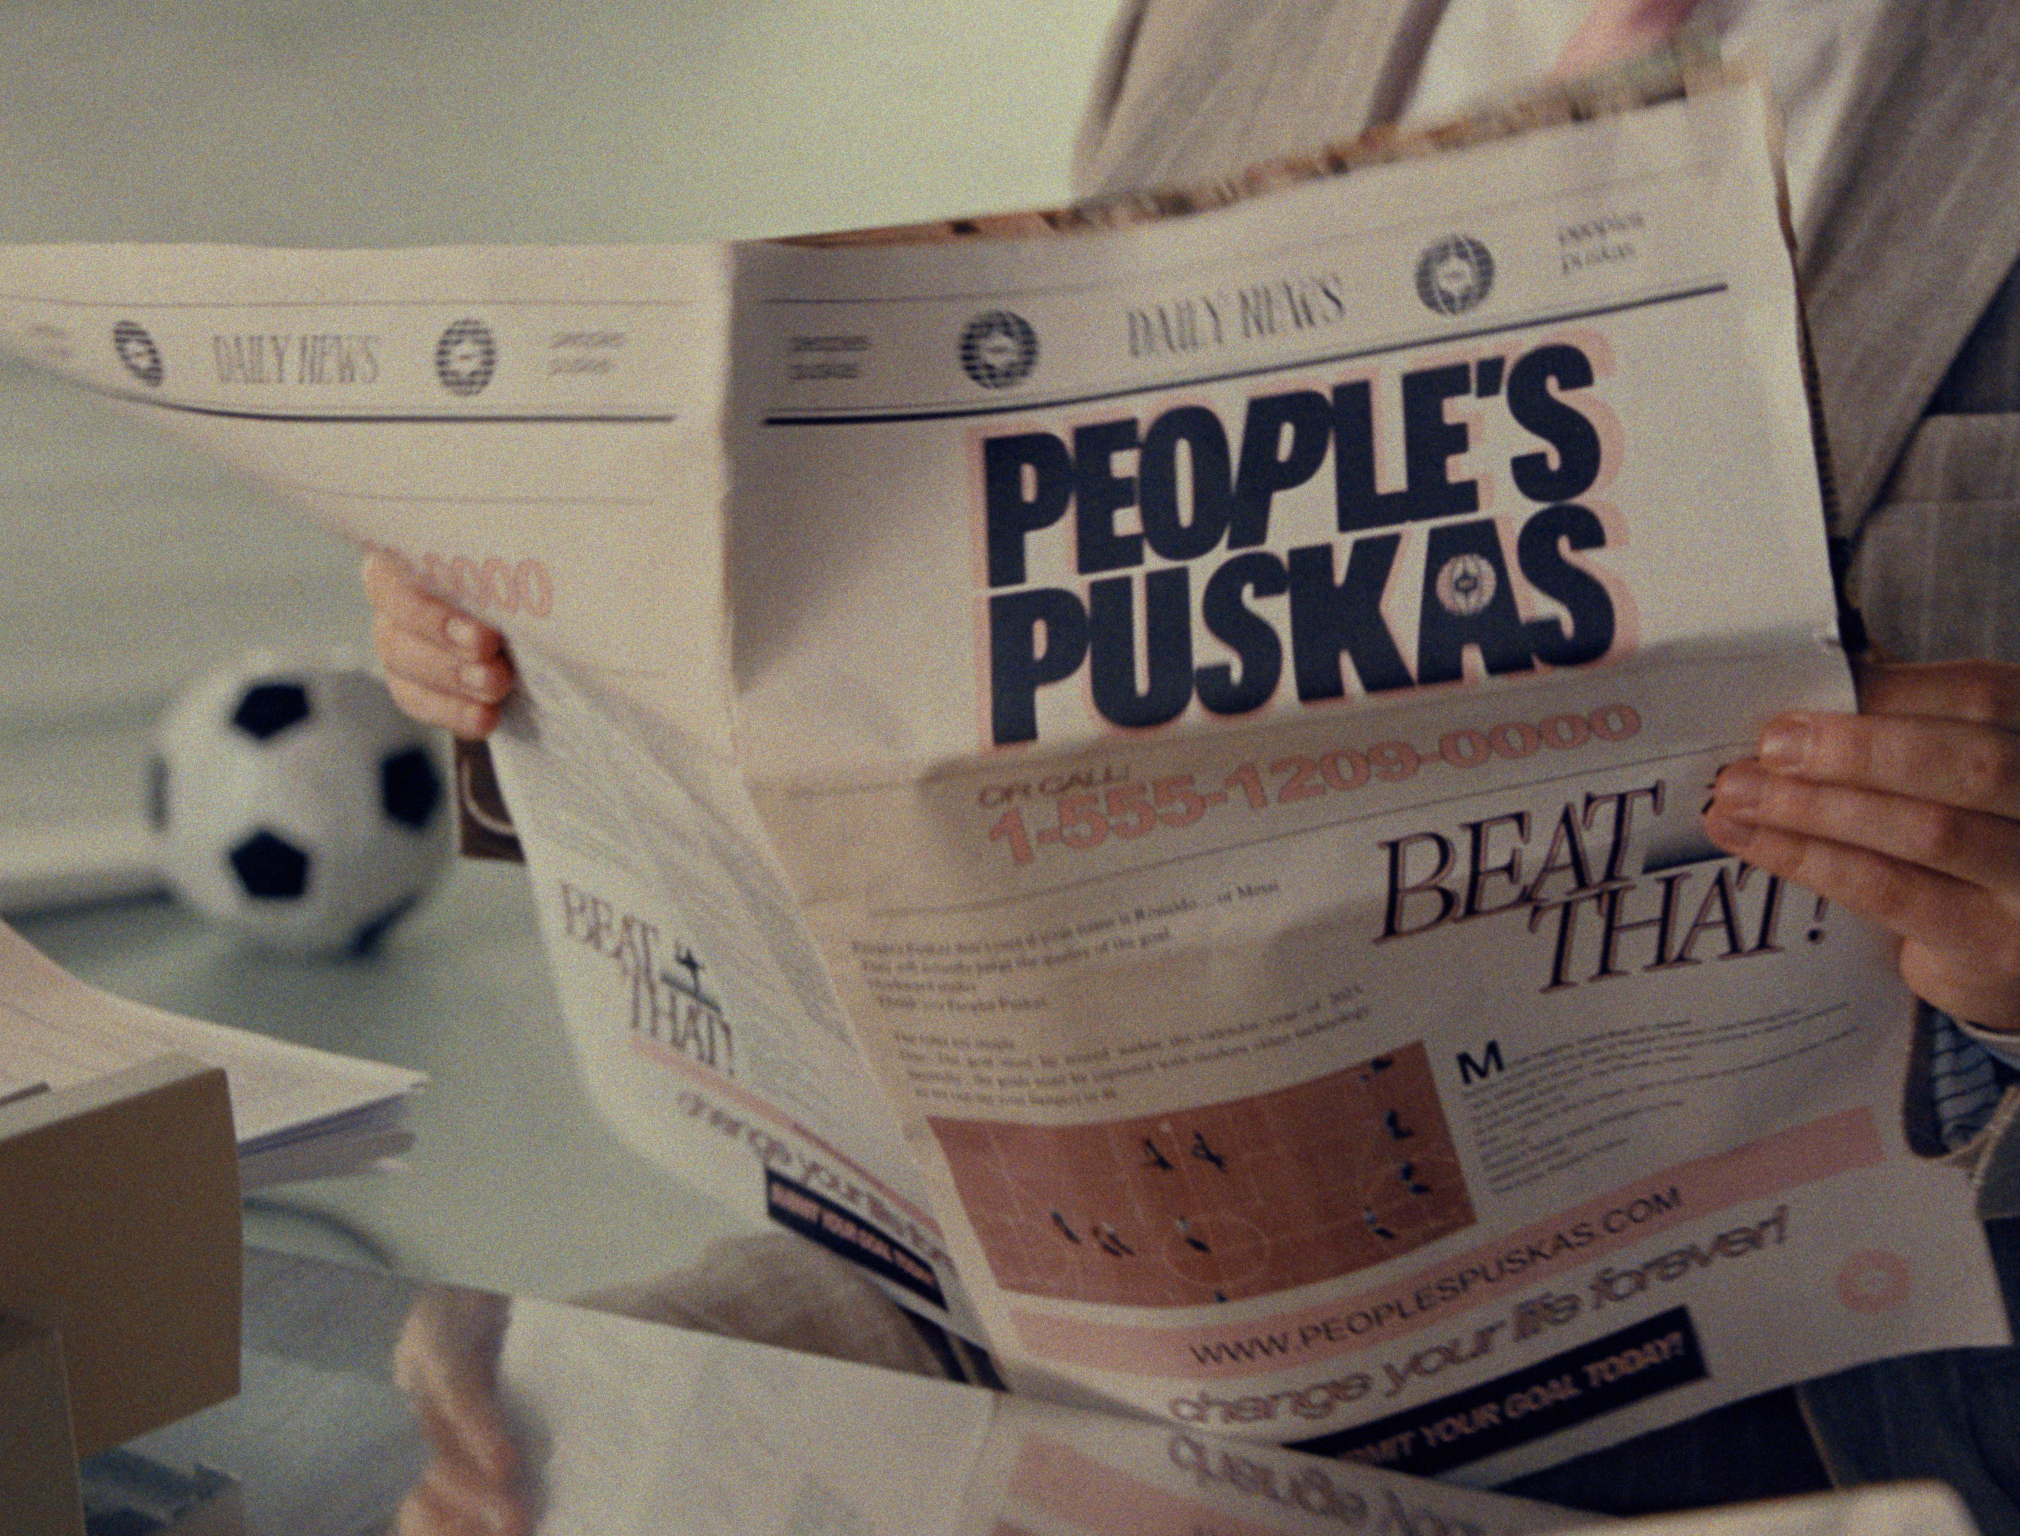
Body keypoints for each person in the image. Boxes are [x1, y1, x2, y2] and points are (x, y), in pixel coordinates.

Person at [370, 1, 2020, 1530]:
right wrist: (547, 654)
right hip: (1151, 1346)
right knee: (519, 1432)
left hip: (1837, 1416)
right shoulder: (1223, 23)